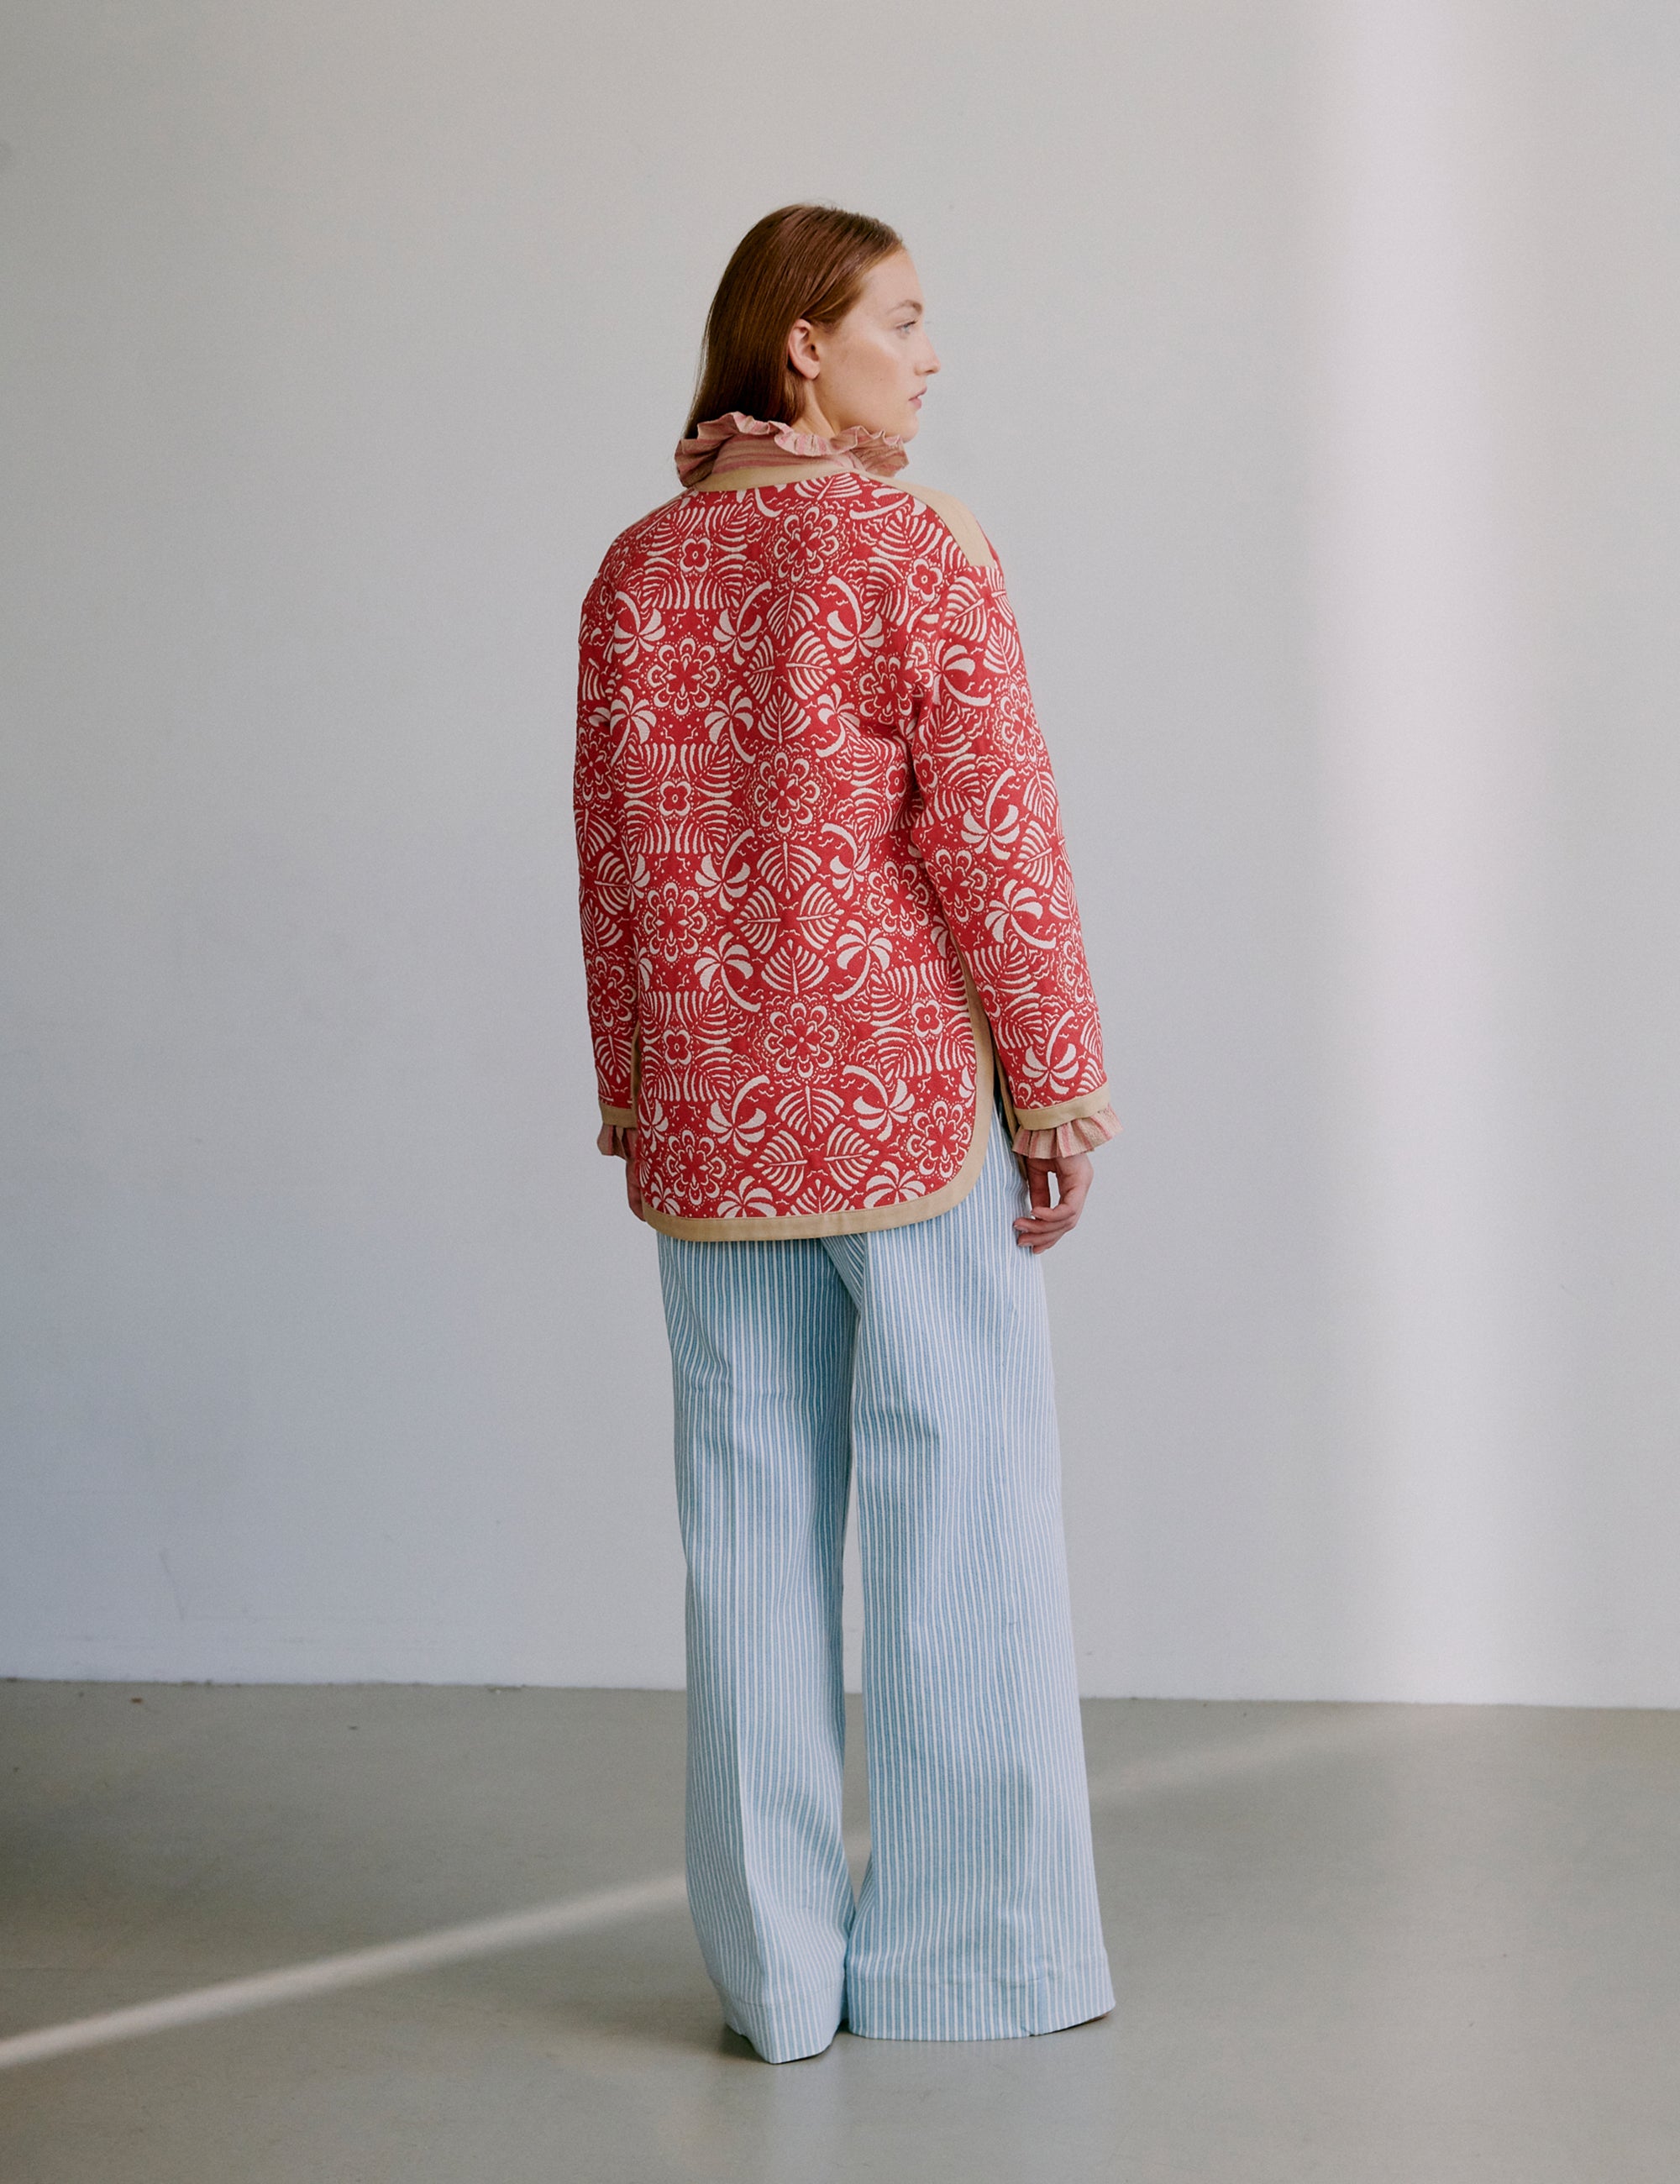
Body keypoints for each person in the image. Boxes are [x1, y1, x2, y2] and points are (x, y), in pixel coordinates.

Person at [574, 203, 1119, 2063]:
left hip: (711, 1125)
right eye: (903, 316)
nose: (931, 352)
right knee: (962, 1515)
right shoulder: (911, 545)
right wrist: (1054, 1078)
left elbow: (610, 858)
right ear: (804, 344)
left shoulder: (636, 570)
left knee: (744, 1538)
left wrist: (636, 1089)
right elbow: (996, 829)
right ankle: (976, 1961)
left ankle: (777, 1983)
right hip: (907, 1111)